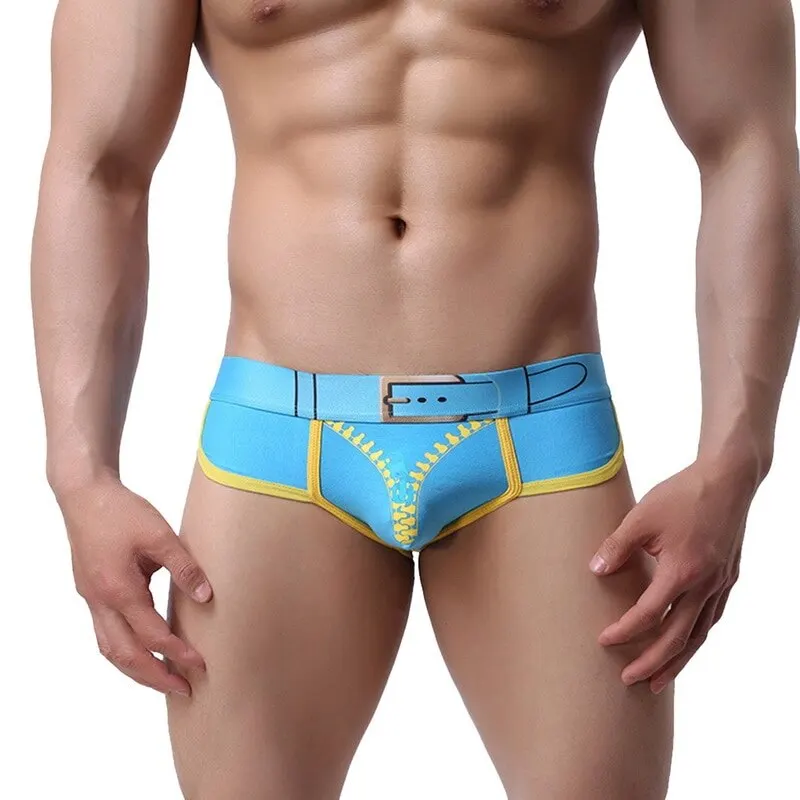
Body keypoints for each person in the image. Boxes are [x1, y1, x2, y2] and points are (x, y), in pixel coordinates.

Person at [32, 1, 798, 798]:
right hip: (279, 442)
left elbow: (746, 144)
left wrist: (734, 460)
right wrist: (81, 476)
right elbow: (100, 167)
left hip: (537, 439)